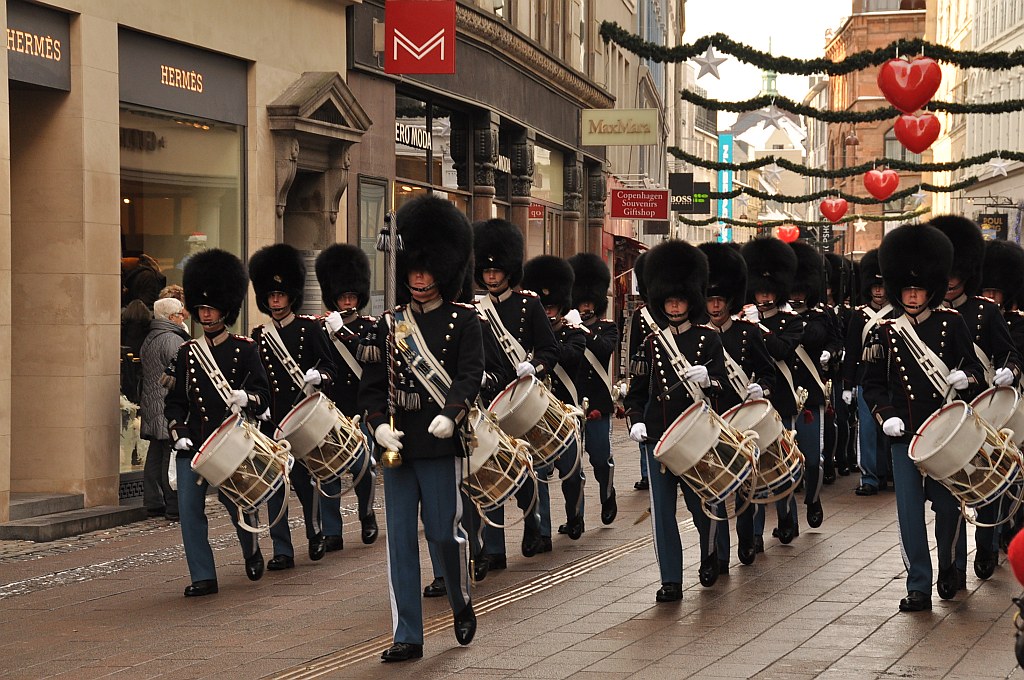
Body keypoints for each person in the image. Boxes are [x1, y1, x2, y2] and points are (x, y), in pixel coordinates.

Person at [358, 195, 481, 662]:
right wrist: (376, 427)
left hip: (439, 440)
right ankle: (407, 633)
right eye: (413, 270)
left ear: (442, 270)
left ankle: (459, 598)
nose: (419, 278)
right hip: (399, 445)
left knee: (442, 533)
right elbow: (370, 389)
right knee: (400, 543)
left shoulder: (465, 320)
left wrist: (451, 413)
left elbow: (470, 373)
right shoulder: (388, 324)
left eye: (427, 271)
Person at [861, 222, 984, 612]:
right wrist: (885, 417)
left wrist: (967, 377)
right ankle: (918, 585)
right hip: (906, 436)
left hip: (945, 435)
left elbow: (976, 373)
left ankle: (948, 563)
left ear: (930, 288)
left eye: (918, 289)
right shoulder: (883, 332)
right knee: (909, 515)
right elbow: (873, 385)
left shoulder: (952, 324)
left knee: (948, 509)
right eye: (906, 289)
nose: (912, 295)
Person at [624, 240, 727, 601]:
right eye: (668, 299)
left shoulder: (708, 340)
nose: (673, 305)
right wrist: (635, 420)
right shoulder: (651, 343)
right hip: (659, 436)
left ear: (690, 299)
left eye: (679, 299)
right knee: (662, 515)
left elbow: (724, 388)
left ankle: (710, 552)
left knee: (702, 507)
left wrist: (709, 380)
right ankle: (671, 579)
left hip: (695, 436)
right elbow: (636, 390)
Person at [165, 248, 270, 597]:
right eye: (201, 309)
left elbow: (262, 394)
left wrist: (247, 398)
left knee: (239, 502)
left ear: (225, 310)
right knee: (190, 513)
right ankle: (203, 575)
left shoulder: (244, 349)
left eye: (211, 308)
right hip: (194, 445)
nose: (205, 314)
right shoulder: (186, 353)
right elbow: (176, 401)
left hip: (229, 443)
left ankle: (251, 549)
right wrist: (177, 432)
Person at [931, 215, 1022, 583]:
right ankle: (950, 567)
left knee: (987, 489)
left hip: (984, 414)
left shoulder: (985, 311)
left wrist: (1010, 372)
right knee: (948, 498)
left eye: (956, 274)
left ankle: (985, 546)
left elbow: (1011, 353)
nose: (950, 281)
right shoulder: (931, 315)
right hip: (947, 416)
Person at [468, 218, 557, 584]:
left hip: (520, 398)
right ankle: (493, 549)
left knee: (523, 467)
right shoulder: (472, 309)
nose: (491, 277)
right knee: (487, 471)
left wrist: (533, 366)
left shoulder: (529, 305)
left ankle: (533, 517)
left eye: (497, 270)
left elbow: (550, 349)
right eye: (486, 271)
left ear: (509, 271)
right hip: (487, 398)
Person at [249, 243, 338, 571]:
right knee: (275, 485)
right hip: (272, 419)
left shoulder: (310, 329)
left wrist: (318, 376)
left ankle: (314, 531)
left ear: (291, 296)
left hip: (300, 417)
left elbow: (331, 369)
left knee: (302, 481)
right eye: (270, 295)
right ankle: (282, 549)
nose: (275, 300)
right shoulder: (258, 336)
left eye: (281, 295)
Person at [699, 241, 776, 569]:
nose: (714, 306)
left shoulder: (748, 333)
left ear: (729, 301)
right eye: (710, 299)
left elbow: (769, 372)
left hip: (741, 419)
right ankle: (718, 552)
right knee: (714, 487)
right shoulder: (698, 337)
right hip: (711, 419)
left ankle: (747, 537)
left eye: (719, 299)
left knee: (745, 485)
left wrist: (762, 387)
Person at [315, 243, 379, 550]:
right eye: (342, 297)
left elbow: (371, 359)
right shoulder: (320, 329)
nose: (347, 301)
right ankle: (332, 530)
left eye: (352, 297)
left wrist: (343, 333)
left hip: (361, 407)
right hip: (331, 408)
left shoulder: (369, 327)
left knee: (362, 467)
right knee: (327, 470)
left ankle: (366, 514)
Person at [740, 237, 803, 550]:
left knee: (781, 461)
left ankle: (787, 516)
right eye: (759, 291)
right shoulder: (744, 321)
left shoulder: (792, 321)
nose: (763, 296)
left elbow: (780, 350)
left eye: (768, 291)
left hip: (781, 398)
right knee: (753, 466)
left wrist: (759, 328)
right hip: (753, 399)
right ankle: (753, 533)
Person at [522, 255, 587, 544]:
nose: (547, 311)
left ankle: (575, 515)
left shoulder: (574, 333)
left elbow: (571, 356)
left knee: (571, 472)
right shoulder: (527, 335)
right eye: (543, 307)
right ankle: (543, 532)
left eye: (551, 307)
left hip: (565, 413)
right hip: (536, 414)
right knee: (539, 474)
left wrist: (547, 341)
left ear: (561, 307)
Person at [786, 240, 843, 531]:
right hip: (783, 393)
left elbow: (834, 342)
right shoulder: (778, 318)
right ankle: (788, 519)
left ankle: (813, 497)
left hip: (810, 393)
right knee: (784, 462)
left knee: (812, 458)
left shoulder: (822, 314)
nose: (796, 294)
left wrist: (829, 354)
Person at [568, 252, 620, 526]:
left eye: (590, 303)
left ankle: (608, 493)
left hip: (598, 401)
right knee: (572, 466)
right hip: (572, 402)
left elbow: (603, 349)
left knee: (600, 458)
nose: (586, 307)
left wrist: (583, 330)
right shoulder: (566, 329)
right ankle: (574, 515)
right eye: (582, 302)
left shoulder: (607, 328)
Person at [841, 250, 896, 497]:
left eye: (882, 286)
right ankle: (869, 477)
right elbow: (852, 351)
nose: (878, 291)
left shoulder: (897, 314)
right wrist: (847, 384)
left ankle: (888, 472)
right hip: (865, 379)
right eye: (874, 287)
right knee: (867, 430)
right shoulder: (859, 315)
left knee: (890, 427)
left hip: (892, 378)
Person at [139, 297, 190, 520]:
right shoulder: (171, 338)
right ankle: (173, 505)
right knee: (169, 454)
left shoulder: (152, 336)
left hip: (152, 402)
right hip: (165, 402)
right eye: (180, 313)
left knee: (156, 453)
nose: (184, 316)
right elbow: (183, 370)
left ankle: (153, 501)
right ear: (171, 317)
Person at [624, 252, 656, 491]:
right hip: (647, 377)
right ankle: (647, 473)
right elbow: (634, 348)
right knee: (643, 426)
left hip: (674, 378)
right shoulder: (641, 315)